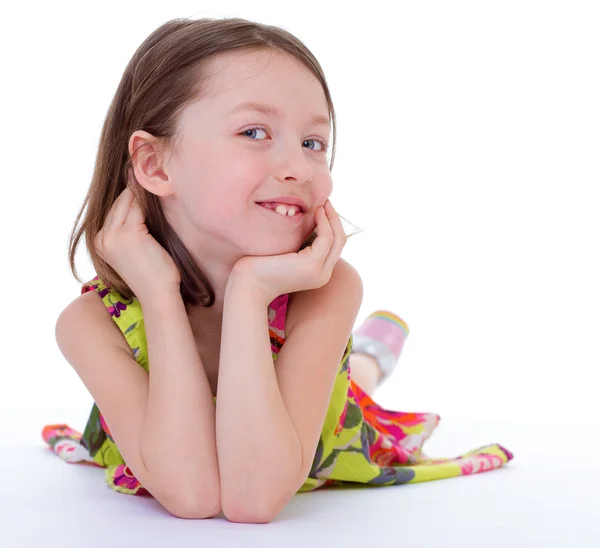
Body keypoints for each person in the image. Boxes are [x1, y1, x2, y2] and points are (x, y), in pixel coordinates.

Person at [42, 16, 513, 523]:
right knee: (355, 371)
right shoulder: (88, 324)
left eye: (313, 143)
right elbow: (194, 494)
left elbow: (253, 499)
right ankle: (374, 348)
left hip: (319, 415)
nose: (299, 167)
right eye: (254, 132)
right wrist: (158, 294)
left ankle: (374, 351)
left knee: (356, 380)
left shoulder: (325, 291)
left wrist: (251, 292)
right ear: (156, 166)